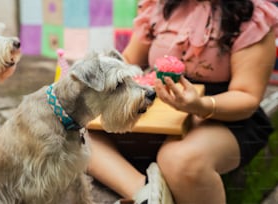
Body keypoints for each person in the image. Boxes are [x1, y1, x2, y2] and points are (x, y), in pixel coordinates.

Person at [87, 0, 278, 203]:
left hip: (227, 115)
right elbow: (128, 60)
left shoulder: (252, 15)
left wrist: (200, 106)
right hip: (161, 113)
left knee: (180, 160)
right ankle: (146, 194)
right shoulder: (159, 7)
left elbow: (246, 96)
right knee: (74, 126)